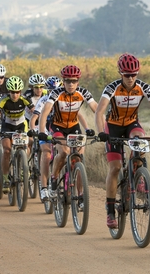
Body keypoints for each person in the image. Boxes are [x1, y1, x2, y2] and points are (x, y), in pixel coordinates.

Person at [95, 53, 150, 229]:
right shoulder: (112, 88)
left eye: (134, 74)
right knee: (115, 168)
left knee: (140, 140)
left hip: (132, 124)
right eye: (127, 75)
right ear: (120, 73)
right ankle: (110, 211)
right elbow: (99, 112)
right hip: (113, 126)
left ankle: (138, 171)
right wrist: (101, 132)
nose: (131, 78)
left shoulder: (143, 88)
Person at [37, 65, 98, 200]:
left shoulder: (83, 92)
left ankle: (81, 195)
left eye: (74, 81)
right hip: (57, 127)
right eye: (68, 81)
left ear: (78, 82)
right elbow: (45, 112)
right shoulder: (56, 93)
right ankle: (53, 179)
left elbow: (96, 108)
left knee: (79, 158)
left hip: (73, 126)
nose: (71, 84)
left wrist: (104, 129)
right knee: (64, 151)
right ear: (63, 81)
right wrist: (41, 131)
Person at [0, 76, 36, 194]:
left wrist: (34, 126)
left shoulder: (25, 99)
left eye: (17, 92)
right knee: (7, 150)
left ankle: (24, 166)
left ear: (20, 91)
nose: (15, 95)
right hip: (7, 126)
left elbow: (35, 112)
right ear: (9, 92)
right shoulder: (3, 100)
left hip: (21, 125)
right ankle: (4, 179)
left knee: (29, 143)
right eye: (12, 92)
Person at [23, 73, 47, 153]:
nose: (39, 89)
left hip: (41, 120)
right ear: (32, 87)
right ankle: (25, 163)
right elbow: (34, 110)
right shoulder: (27, 94)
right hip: (29, 119)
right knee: (30, 141)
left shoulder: (46, 93)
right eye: (36, 87)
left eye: (41, 87)